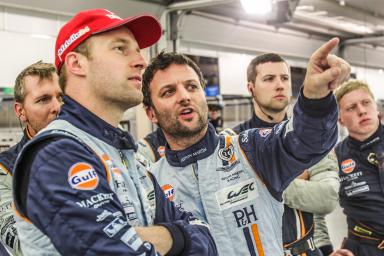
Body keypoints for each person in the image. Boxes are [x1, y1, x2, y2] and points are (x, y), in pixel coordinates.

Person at [11, 9, 217, 256]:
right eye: (121, 49)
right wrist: (179, 236)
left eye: (138, 51)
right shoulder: (56, 155)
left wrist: (168, 236)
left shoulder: (127, 156)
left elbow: (206, 236)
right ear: (77, 64)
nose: (141, 61)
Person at [141, 37, 350, 255]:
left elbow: (307, 140)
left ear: (203, 94)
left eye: (192, 87)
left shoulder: (249, 149)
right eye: (168, 92)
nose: (184, 97)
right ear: (151, 113)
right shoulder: (150, 184)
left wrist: (315, 98)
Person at [227, 53, 339, 256]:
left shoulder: (310, 139)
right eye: (269, 79)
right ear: (250, 87)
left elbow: (327, 198)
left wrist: (261, 179)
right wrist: (295, 177)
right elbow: (229, 200)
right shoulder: (231, 141)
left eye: (284, 78)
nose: (280, 85)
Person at [0, 61, 62, 255]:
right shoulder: (5, 168)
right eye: (43, 99)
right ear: (21, 111)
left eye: (61, 98)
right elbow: (24, 244)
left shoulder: (93, 151)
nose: (57, 107)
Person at [334, 80, 384, 256]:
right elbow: (315, 208)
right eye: (351, 108)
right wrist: (324, 249)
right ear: (340, 119)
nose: (361, 111)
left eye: (366, 103)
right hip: (362, 249)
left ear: (376, 108)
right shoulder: (334, 158)